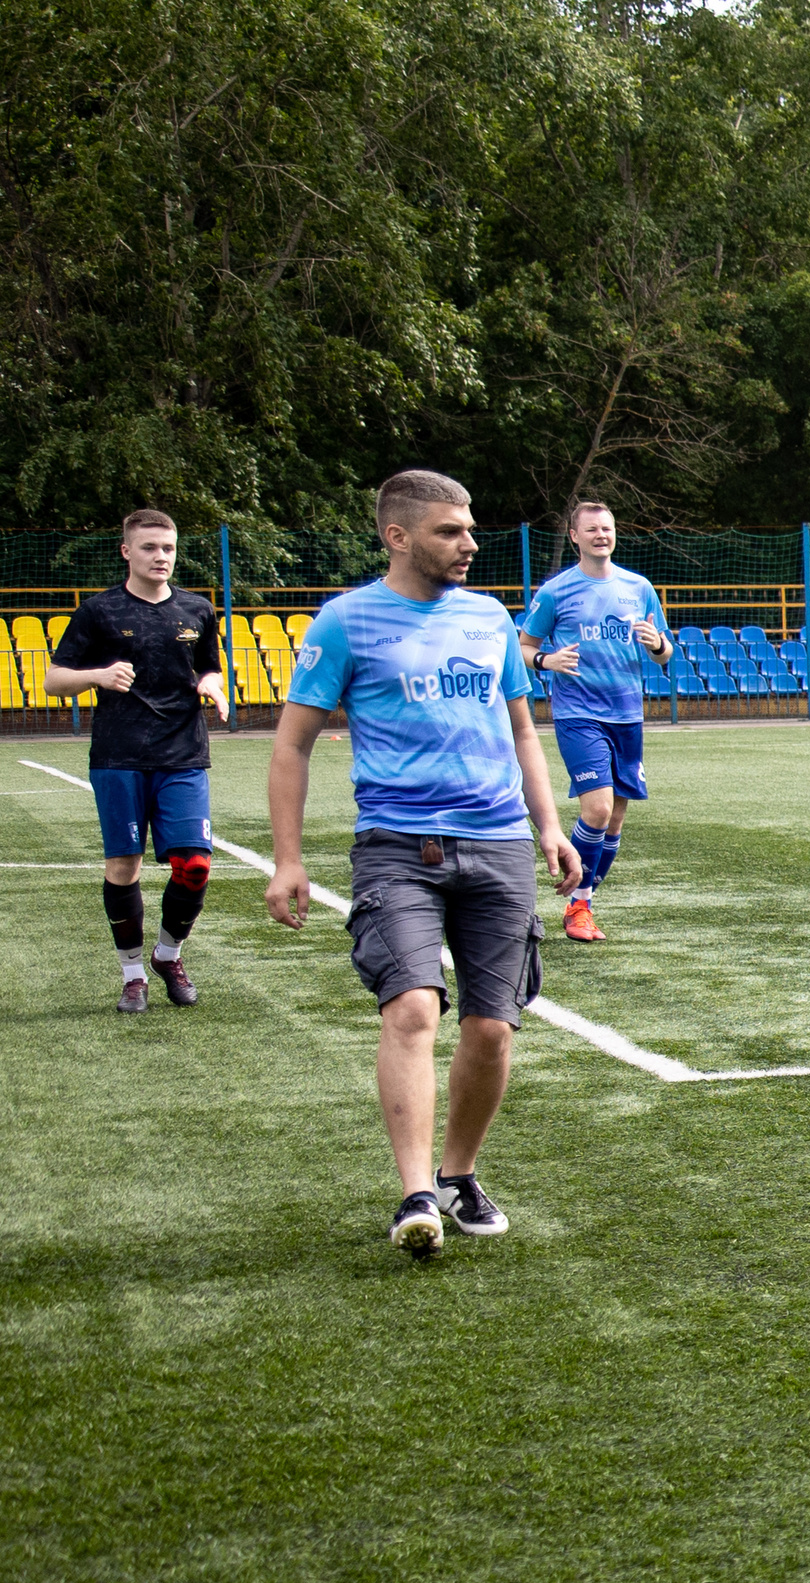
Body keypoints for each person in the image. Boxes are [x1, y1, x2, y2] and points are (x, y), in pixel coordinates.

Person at [267, 470, 582, 1258]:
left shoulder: (489, 619)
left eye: (470, 528)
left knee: (491, 1028)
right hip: (397, 846)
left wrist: (550, 825)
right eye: (450, 531)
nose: (469, 543)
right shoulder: (344, 622)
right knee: (413, 1008)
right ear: (397, 536)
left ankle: (456, 1173)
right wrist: (288, 859)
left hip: (500, 843)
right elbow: (291, 742)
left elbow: (520, 731)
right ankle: (414, 1195)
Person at [43, 509, 232, 1013]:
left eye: (168, 548)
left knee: (194, 865)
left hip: (183, 754)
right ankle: (132, 976)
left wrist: (212, 686)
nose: (161, 557)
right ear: (127, 551)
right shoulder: (99, 612)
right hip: (118, 756)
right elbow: (53, 680)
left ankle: (168, 955)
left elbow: (210, 667)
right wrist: (99, 676)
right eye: (149, 548)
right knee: (124, 865)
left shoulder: (196, 610)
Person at [518, 497, 671, 942]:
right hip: (578, 713)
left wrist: (656, 642)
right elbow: (523, 648)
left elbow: (665, 655)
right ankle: (577, 904)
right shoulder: (556, 592)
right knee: (598, 808)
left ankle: (582, 900)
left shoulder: (638, 587)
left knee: (616, 817)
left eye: (607, 528)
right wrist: (547, 660)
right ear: (574, 537)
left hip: (628, 714)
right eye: (591, 529)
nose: (601, 535)